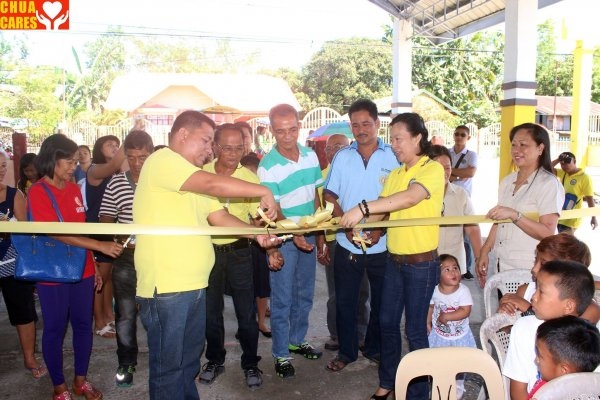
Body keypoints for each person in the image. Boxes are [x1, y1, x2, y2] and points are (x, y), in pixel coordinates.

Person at [132, 110, 279, 400]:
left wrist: (257, 234)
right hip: (167, 289)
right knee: (168, 370)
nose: (209, 148)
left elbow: (218, 216)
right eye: (206, 140)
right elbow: (212, 185)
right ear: (183, 134)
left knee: (187, 365)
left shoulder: (191, 177)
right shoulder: (163, 162)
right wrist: (261, 189)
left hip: (194, 285)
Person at [341, 112, 445, 400]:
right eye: (392, 139)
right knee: (386, 322)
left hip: (421, 264)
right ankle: (388, 382)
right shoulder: (396, 173)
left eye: (399, 139)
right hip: (393, 262)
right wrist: (369, 229)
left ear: (417, 138)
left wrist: (361, 208)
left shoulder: (431, 169)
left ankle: (418, 394)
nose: (394, 145)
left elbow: (411, 197)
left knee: (415, 331)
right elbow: (386, 211)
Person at [30, 134, 124, 400]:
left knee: (84, 325)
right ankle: (59, 387)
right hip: (52, 271)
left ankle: (80, 381)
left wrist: (92, 265)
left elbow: (78, 229)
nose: (74, 167)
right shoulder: (38, 191)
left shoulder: (73, 188)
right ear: (52, 160)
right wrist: (99, 246)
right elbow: (55, 233)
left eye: (75, 162)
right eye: (69, 162)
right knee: (55, 328)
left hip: (81, 268)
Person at [323, 99, 400, 372]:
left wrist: (379, 228)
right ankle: (347, 352)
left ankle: (374, 348)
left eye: (366, 123)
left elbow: (400, 199)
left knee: (382, 303)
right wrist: (346, 224)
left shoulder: (393, 156)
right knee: (346, 301)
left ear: (378, 124)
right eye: (355, 125)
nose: (360, 129)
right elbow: (328, 193)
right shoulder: (342, 157)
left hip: (384, 244)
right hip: (347, 243)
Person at [198, 124, 269, 389]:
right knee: (211, 312)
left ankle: (251, 363)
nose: (233, 153)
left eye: (239, 147)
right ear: (215, 147)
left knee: (245, 312)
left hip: (240, 251)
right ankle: (215, 360)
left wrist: (268, 243)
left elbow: (258, 219)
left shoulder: (249, 179)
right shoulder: (200, 174)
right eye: (227, 147)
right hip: (207, 251)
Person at [257, 103, 325, 379]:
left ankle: (297, 340)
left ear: (299, 126)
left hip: (309, 232)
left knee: (305, 293)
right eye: (281, 131)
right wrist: (294, 234)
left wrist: (320, 233)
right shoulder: (267, 166)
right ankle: (281, 354)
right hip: (283, 237)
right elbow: (273, 209)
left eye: (293, 129)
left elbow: (317, 196)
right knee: (283, 299)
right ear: (272, 131)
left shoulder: (310, 156)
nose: (287, 136)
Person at [98, 130, 153, 388]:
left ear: (152, 155)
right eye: (131, 157)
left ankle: (162, 358)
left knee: (159, 311)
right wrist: (118, 238)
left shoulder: (161, 182)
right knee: (126, 313)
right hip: (127, 257)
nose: (137, 163)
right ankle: (127, 361)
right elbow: (106, 218)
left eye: (142, 157)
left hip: (157, 254)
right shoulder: (116, 182)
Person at [477, 123, 564, 283]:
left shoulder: (548, 183)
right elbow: (499, 220)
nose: (517, 150)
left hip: (529, 268)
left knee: (527, 308)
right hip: (501, 264)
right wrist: (485, 249)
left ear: (540, 148)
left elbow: (547, 232)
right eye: (514, 145)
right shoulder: (507, 182)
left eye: (523, 145)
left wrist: (515, 215)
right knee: (505, 308)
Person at [503, 260, 597, 400]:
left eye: (541, 292)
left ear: (569, 306)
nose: (533, 297)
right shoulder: (523, 328)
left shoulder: (588, 338)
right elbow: (518, 390)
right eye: (535, 289)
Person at [0, 150, 46, 379]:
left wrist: (10, 229)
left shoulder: (15, 194)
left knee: (23, 311)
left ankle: (29, 357)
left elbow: (27, 231)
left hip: (12, 262)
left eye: (3, 165)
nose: (1, 170)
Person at [319, 132, 367, 354]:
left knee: (361, 292)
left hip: (360, 239)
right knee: (337, 294)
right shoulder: (320, 177)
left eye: (338, 147)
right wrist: (322, 243)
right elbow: (317, 213)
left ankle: (360, 334)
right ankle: (337, 334)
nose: (333, 152)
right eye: (329, 148)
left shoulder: (356, 172)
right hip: (334, 241)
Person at [497, 233, 599, 319]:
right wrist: (503, 315)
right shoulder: (524, 291)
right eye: (535, 261)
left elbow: (562, 337)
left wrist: (528, 309)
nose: (534, 269)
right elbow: (513, 332)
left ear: (568, 272)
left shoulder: (589, 310)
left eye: (543, 264)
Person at [87, 135, 126, 338]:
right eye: (109, 144)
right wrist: (130, 138)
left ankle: (109, 315)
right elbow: (115, 163)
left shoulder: (117, 172)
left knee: (109, 276)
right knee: (99, 278)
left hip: (112, 229)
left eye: (116, 144)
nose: (114, 147)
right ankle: (99, 321)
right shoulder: (95, 169)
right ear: (98, 149)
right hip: (97, 229)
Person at [429, 145, 482, 282]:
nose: (444, 172)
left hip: (454, 267)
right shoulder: (417, 196)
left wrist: (479, 258)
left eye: (447, 167)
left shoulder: (461, 194)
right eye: (437, 168)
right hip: (425, 264)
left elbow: (472, 228)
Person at [427, 254, 476, 399]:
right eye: (447, 269)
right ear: (438, 275)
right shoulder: (434, 291)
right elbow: (430, 307)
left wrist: (447, 316)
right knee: (438, 361)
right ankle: (437, 383)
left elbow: (465, 311)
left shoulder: (463, 291)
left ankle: (458, 383)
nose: (453, 272)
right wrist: (427, 322)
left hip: (459, 335)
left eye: (455, 268)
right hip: (440, 335)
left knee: (458, 362)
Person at [529, 315, 600, 399]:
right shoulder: (593, 389)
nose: (536, 360)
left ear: (564, 370)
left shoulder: (548, 394)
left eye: (540, 356)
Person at [240, 153, 272, 336]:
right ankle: (246, 324)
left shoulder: (263, 193)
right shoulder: (235, 192)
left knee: (262, 286)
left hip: (260, 245)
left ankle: (261, 322)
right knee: (245, 289)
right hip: (242, 244)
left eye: (254, 174)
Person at [447, 125, 478, 280]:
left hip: (463, 198)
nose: (459, 137)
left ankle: (466, 268)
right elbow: (442, 171)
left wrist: (452, 173)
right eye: (457, 134)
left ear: (468, 137)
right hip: (447, 197)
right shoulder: (447, 152)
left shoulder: (471, 155)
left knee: (466, 236)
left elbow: (471, 172)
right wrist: (459, 174)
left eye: (463, 135)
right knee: (450, 235)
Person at [551, 151, 597, 234]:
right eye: (562, 164)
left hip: (572, 219)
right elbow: (547, 168)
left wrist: (593, 217)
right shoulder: (563, 173)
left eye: (568, 163)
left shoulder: (584, 177)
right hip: (560, 216)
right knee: (560, 244)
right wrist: (558, 159)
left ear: (575, 162)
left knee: (565, 244)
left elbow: (589, 198)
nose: (564, 166)